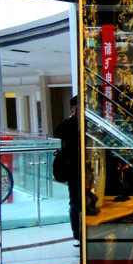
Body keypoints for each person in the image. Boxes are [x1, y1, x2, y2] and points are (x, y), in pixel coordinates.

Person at [54, 95, 81, 247]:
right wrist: (74, 117)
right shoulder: (68, 124)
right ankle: (76, 235)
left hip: (89, 167)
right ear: (72, 108)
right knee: (75, 202)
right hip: (73, 168)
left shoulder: (89, 123)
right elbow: (58, 132)